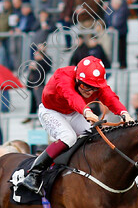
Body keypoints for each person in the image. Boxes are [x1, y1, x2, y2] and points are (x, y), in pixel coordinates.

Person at [20, 56, 132, 193]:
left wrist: (125, 113)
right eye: (85, 86)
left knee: (96, 135)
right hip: (51, 111)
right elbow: (71, 96)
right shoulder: (63, 75)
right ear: (78, 79)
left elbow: (110, 97)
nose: (90, 91)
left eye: (94, 88)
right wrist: (86, 111)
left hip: (73, 112)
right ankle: (34, 173)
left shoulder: (94, 85)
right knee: (69, 137)